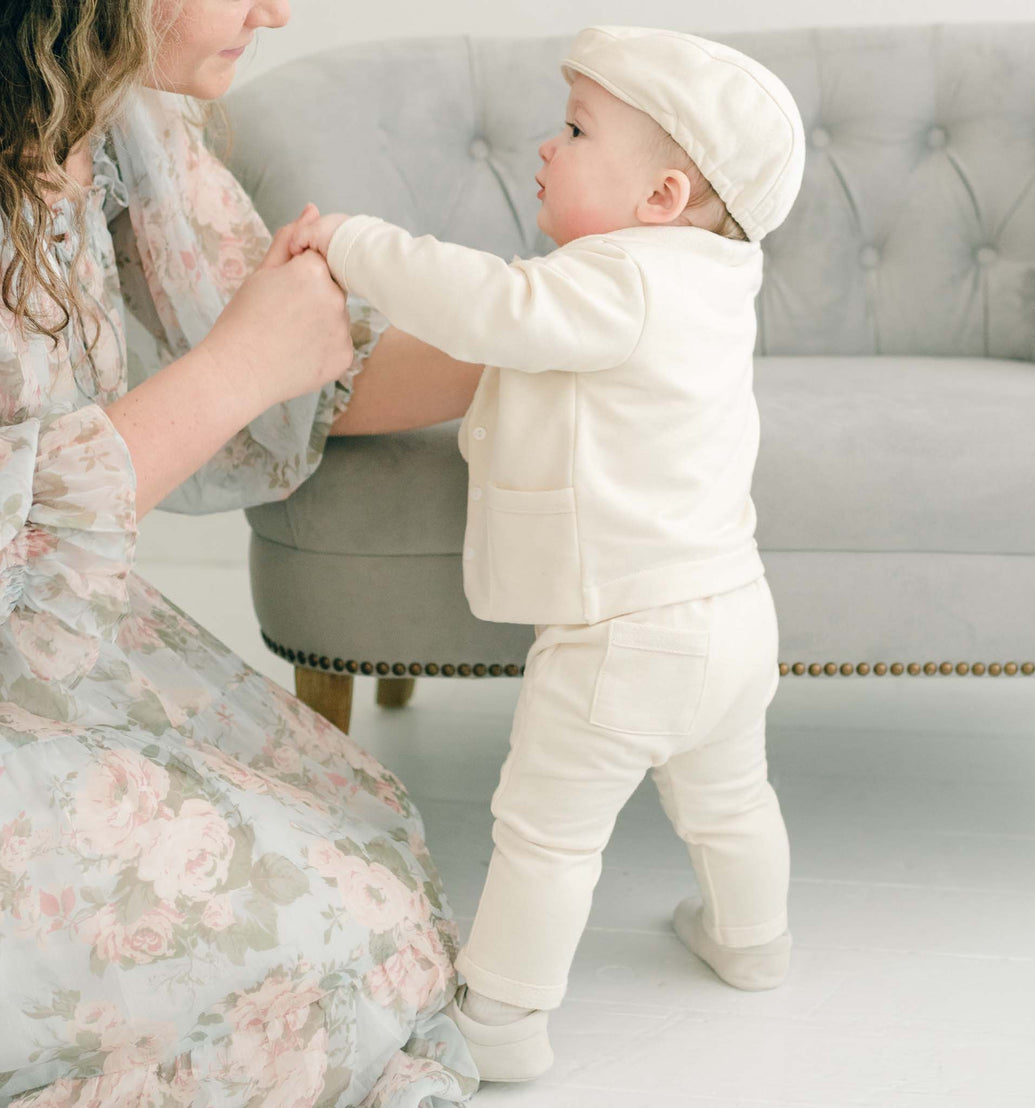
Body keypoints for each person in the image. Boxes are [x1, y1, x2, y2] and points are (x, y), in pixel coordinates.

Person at [292, 24, 807, 1083]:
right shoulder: (720, 280)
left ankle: (502, 1021)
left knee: (545, 834)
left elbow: (493, 306)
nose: (544, 144)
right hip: (732, 612)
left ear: (661, 197)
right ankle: (752, 941)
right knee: (731, 799)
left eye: (574, 129)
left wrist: (352, 242)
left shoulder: (620, 280)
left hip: (622, 633)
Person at [0, 1, 484, 1104]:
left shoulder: (117, 114)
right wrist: (231, 370)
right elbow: (250, 361)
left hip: (53, 645)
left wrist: (578, 327)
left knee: (367, 846)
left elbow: (313, 361)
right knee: (314, 951)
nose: (275, 10)